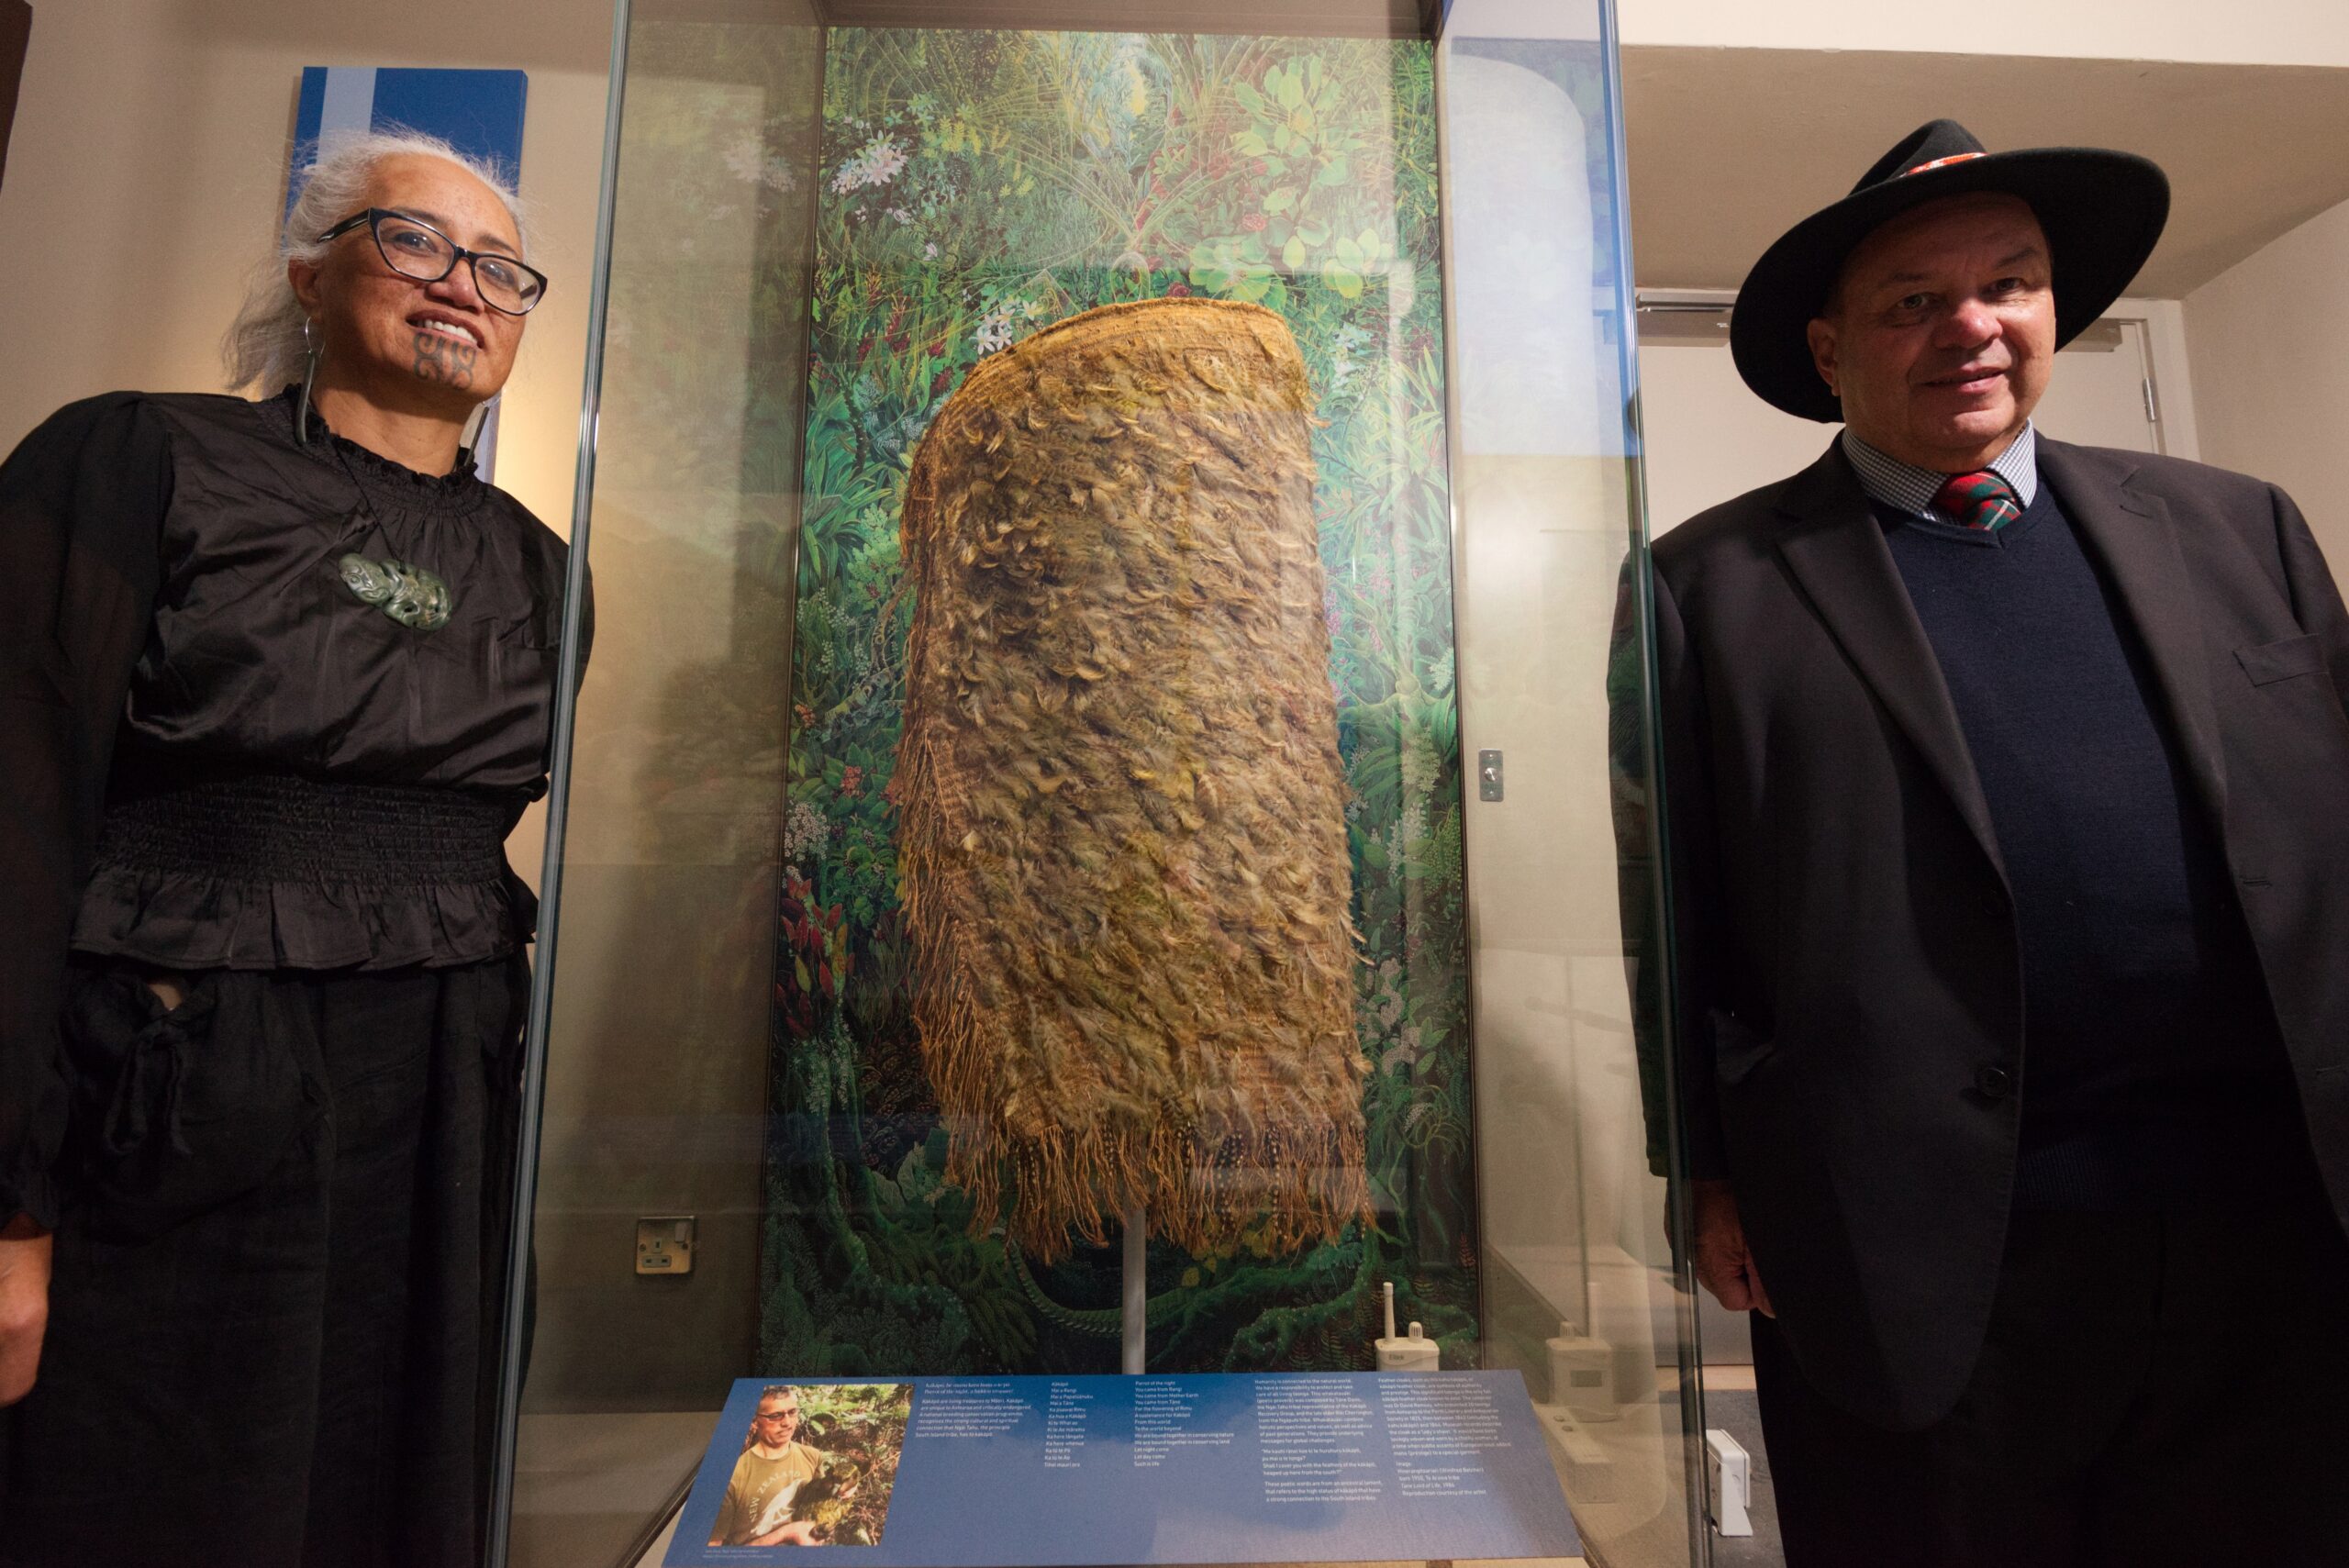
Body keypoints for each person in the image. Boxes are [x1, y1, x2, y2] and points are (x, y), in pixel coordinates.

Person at [1650, 119, 2349, 1565]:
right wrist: (1706, 1170)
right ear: (1833, 351)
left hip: (2267, 1237)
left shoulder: (2243, 531)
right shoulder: (1709, 587)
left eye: (2010, 284)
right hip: (1916, 1249)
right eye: (1914, 301)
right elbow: (1682, 909)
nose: (1971, 326)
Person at [0, 130, 579, 1567]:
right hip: (179, 1086)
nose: (463, 285)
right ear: (312, 272)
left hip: (441, 1098)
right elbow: (13, 818)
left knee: (399, 1490)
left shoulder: (537, 567)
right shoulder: (138, 455)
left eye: (500, 267)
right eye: (416, 242)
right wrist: (3, 1206)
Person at [708, 1387, 829, 1548]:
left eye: (792, 1412)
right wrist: (788, 1532)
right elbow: (712, 1552)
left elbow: (821, 1503)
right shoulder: (733, 1475)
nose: (787, 1422)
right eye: (775, 1416)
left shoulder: (812, 1456)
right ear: (753, 1422)